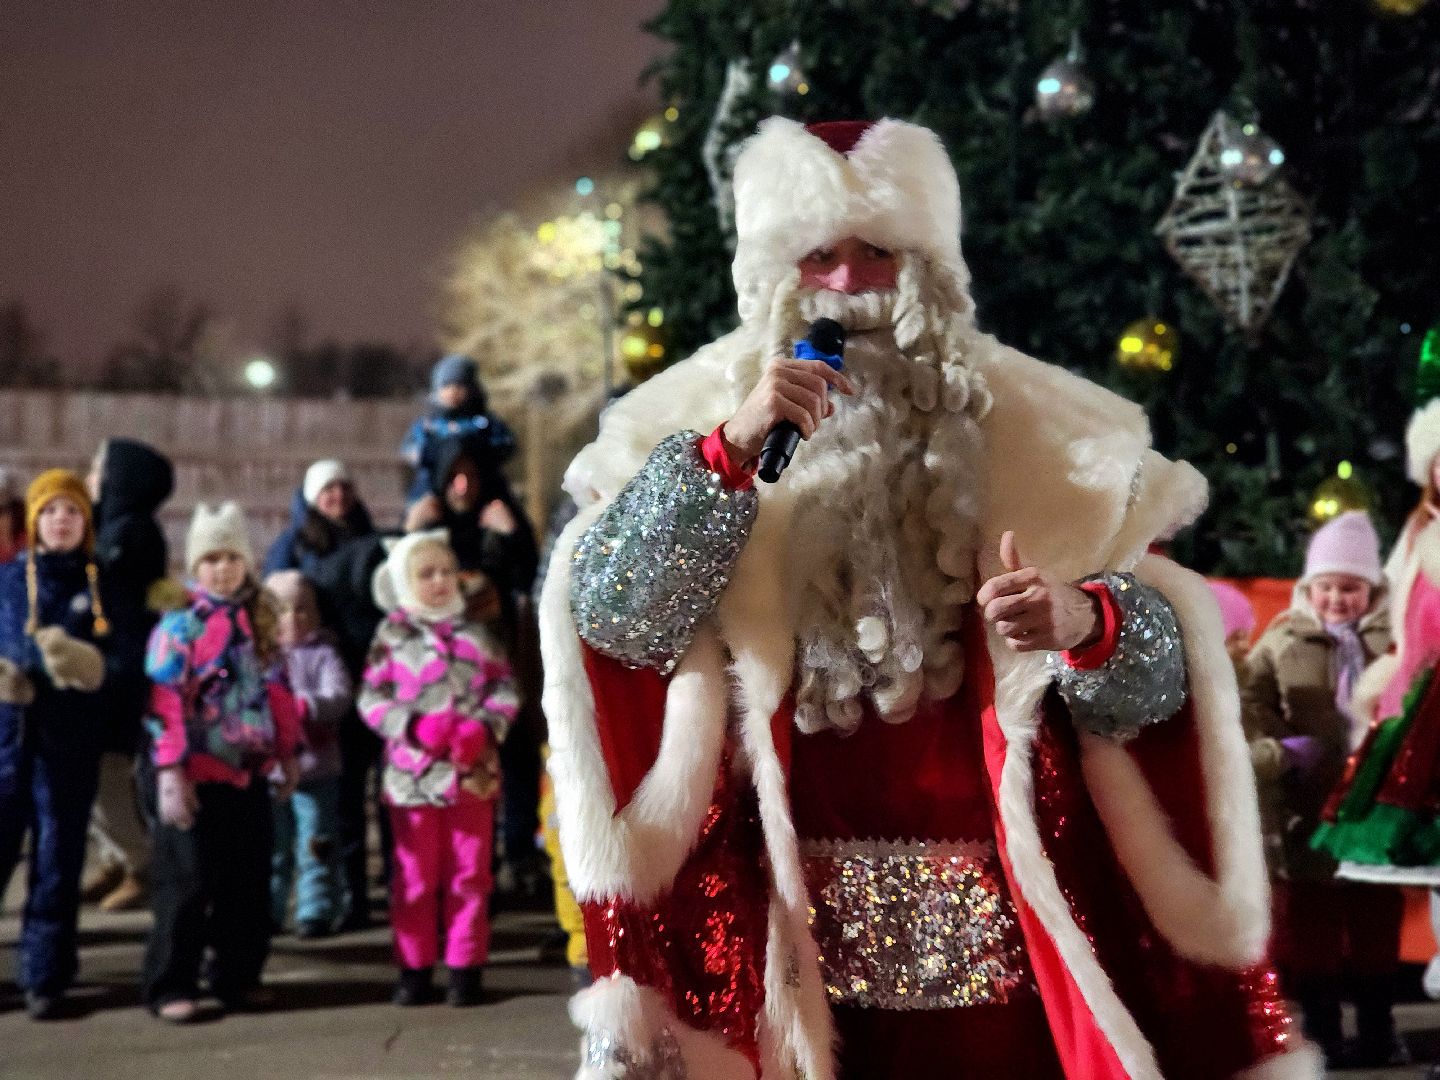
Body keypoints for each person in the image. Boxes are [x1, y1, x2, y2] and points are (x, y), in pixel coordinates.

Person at [539, 118, 1319, 1079]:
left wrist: (1087, 622)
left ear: (933, 268)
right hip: (776, 943)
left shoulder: (1062, 441)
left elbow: (1159, 695)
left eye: (879, 252)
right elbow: (620, 622)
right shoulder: (681, 425)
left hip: (1016, 955)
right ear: (772, 274)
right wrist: (726, 455)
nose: (849, 284)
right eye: (818, 256)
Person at [1242, 512, 1400, 1067]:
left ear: (1371, 591)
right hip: (1308, 805)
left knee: (1374, 916)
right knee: (1312, 922)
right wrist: (1282, 749)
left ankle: (1379, 1027)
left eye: (1351, 588)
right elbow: (1251, 700)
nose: (1337, 599)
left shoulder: (1394, 640)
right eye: (1326, 587)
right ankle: (1322, 1029)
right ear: (1309, 588)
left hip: (1375, 804)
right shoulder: (1282, 640)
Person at [141, 502, 301, 1023]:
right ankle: (171, 981)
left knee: (247, 878)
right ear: (195, 565)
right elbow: (164, 700)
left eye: (232, 558)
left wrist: (286, 752)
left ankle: (237, 974)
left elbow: (277, 691)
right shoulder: (181, 625)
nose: (223, 569)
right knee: (186, 881)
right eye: (211, 559)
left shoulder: (258, 620)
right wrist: (170, 770)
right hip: (193, 773)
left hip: (245, 772)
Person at [358, 530, 516, 1007]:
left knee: (470, 875)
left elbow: (504, 690)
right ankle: (415, 968)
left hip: (472, 777)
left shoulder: (477, 635)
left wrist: (484, 727)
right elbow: (371, 698)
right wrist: (411, 725)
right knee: (415, 878)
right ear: (405, 583)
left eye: (447, 571)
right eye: (426, 574)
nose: (440, 581)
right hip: (413, 779)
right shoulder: (392, 637)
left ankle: (466, 967)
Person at [406, 432, 544, 904]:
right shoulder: (430, 523)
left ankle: (520, 857)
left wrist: (512, 535)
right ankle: (470, 871)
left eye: (471, 475)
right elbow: (405, 586)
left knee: (516, 759)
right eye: (454, 476)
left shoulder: (501, 515)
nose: (463, 486)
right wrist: (412, 533)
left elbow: (530, 576)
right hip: (445, 673)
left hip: (502, 662)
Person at [0, 471, 110, 1019]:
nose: (60, 520)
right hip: (7, 738)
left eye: (71, 511)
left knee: (56, 858)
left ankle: (44, 975)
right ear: (34, 520)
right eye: (49, 511)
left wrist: (90, 668)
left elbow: (118, 658)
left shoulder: (98, 585)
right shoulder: (8, 579)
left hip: (67, 742)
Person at [264, 458, 387, 929]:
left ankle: (373, 892)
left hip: (368, 674)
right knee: (339, 800)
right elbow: (274, 601)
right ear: (311, 497)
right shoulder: (294, 544)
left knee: (374, 796)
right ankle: (338, 897)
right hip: (318, 679)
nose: (336, 496)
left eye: (343, 487)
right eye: (326, 489)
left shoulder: (369, 536)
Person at [81, 437, 175, 913]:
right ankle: (116, 858)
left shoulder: (130, 533)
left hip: (117, 671)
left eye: (99, 469)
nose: (90, 477)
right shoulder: (110, 526)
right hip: (109, 665)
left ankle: (140, 862)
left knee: (106, 775)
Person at [266, 570, 352, 938]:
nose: (293, 618)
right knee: (275, 846)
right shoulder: (260, 656)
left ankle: (315, 908)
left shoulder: (324, 654)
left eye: (302, 609)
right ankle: (269, 908)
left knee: (316, 842)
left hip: (316, 769)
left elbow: (340, 695)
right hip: (272, 772)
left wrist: (309, 705)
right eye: (282, 610)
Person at [400, 354, 516, 507]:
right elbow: (410, 449)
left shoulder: (484, 422)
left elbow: (505, 444)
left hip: (483, 490)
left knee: (503, 509)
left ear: (472, 389)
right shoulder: (428, 425)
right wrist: (423, 454)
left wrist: (486, 452)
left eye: (459, 386)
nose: (453, 391)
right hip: (433, 489)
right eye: (446, 386)